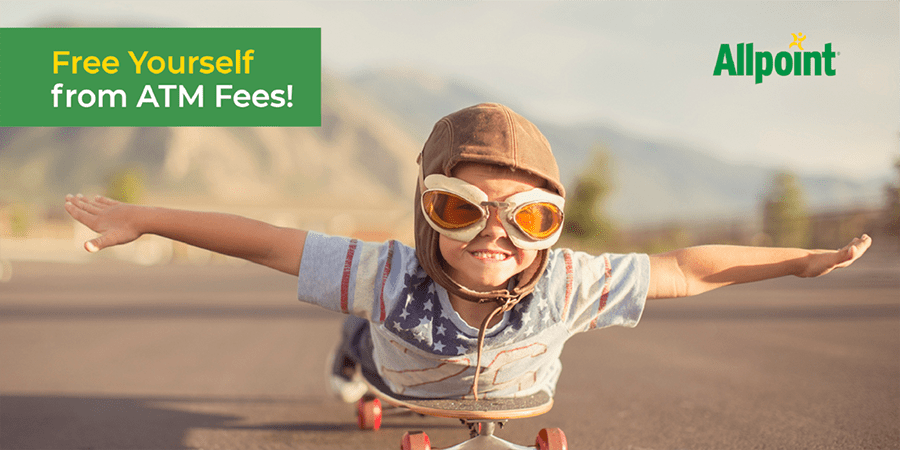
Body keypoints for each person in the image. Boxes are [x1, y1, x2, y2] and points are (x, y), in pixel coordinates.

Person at [64, 103, 871, 402]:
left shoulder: (573, 282)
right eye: (461, 207)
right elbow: (267, 242)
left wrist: (795, 259)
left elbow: (688, 269)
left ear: (555, 225)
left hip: (506, 387)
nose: (497, 233)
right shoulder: (386, 273)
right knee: (357, 318)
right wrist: (149, 217)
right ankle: (349, 352)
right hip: (398, 366)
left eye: (531, 218)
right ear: (428, 218)